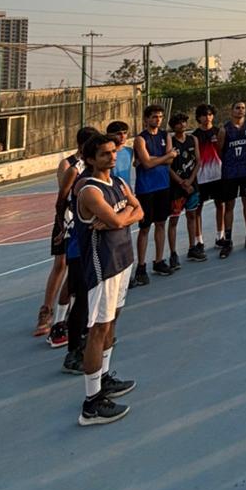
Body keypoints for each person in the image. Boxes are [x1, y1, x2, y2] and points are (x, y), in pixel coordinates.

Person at [74, 132, 142, 426]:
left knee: (112, 321)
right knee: (98, 329)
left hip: (123, 258)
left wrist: (125, 213)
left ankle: (103, 379)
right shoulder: (89, 191)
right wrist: (127, 212)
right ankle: (90, 404)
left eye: (113, 152)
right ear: (90, 159)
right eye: (104, 154)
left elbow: (140, 210)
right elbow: (121, 218)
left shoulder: (118, 182)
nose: (112, 157)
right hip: (104, 266)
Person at [35, 124, 97, 342]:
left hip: (83, 223)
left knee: (78, 272)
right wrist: (62, 227)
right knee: (62, 266)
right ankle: (48, 312)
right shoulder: (69, 165)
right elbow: (63, 198)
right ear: (81, 145)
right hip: (68, 223)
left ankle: (72, 317)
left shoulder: (93, 165)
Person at [131, 105, 173, 285]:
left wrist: (153, 160)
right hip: (146, 188)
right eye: (154, 117)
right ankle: (141, 266)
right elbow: (147, 164)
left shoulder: (166, 136)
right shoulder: (140, 139)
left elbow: (170, 158)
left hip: (163, 185)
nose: (158, 120)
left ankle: (158, 260)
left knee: (161, 223)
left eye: (160, 117)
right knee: (145, 228)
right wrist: (163, 157)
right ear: (146, 119)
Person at [218, 100, 246, 256]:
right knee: (229, 205)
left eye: (243, 108)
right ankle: (228, 240)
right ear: (231, 110)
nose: (240, 110)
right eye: (237, 108)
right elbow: (220, 152)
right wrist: (231, 164)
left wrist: (244, 162)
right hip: (230, 173)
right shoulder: (224, 130)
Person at [167, 111, 199, 270]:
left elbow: (198, 162)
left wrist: (190, 181)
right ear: (173, 126)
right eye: (179, 123)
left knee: (192, 215)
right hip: (176, 188)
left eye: (184, 122)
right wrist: (181, 182)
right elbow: (168, 166)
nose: (182, 125)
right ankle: (173, 253)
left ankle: (192, 247)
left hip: (192, 185)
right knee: (174, 220)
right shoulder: (170, 141)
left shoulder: (193, 139)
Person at [193, 103, 221, 259]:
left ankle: (220, 235)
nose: (207, 117)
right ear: (198, 117)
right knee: (198, 209)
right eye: (204, 115)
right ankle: (199, 239)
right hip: (201, 177)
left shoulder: (219, 132)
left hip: (218, 175)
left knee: (220, 204)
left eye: (210, 114)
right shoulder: (195, 136)